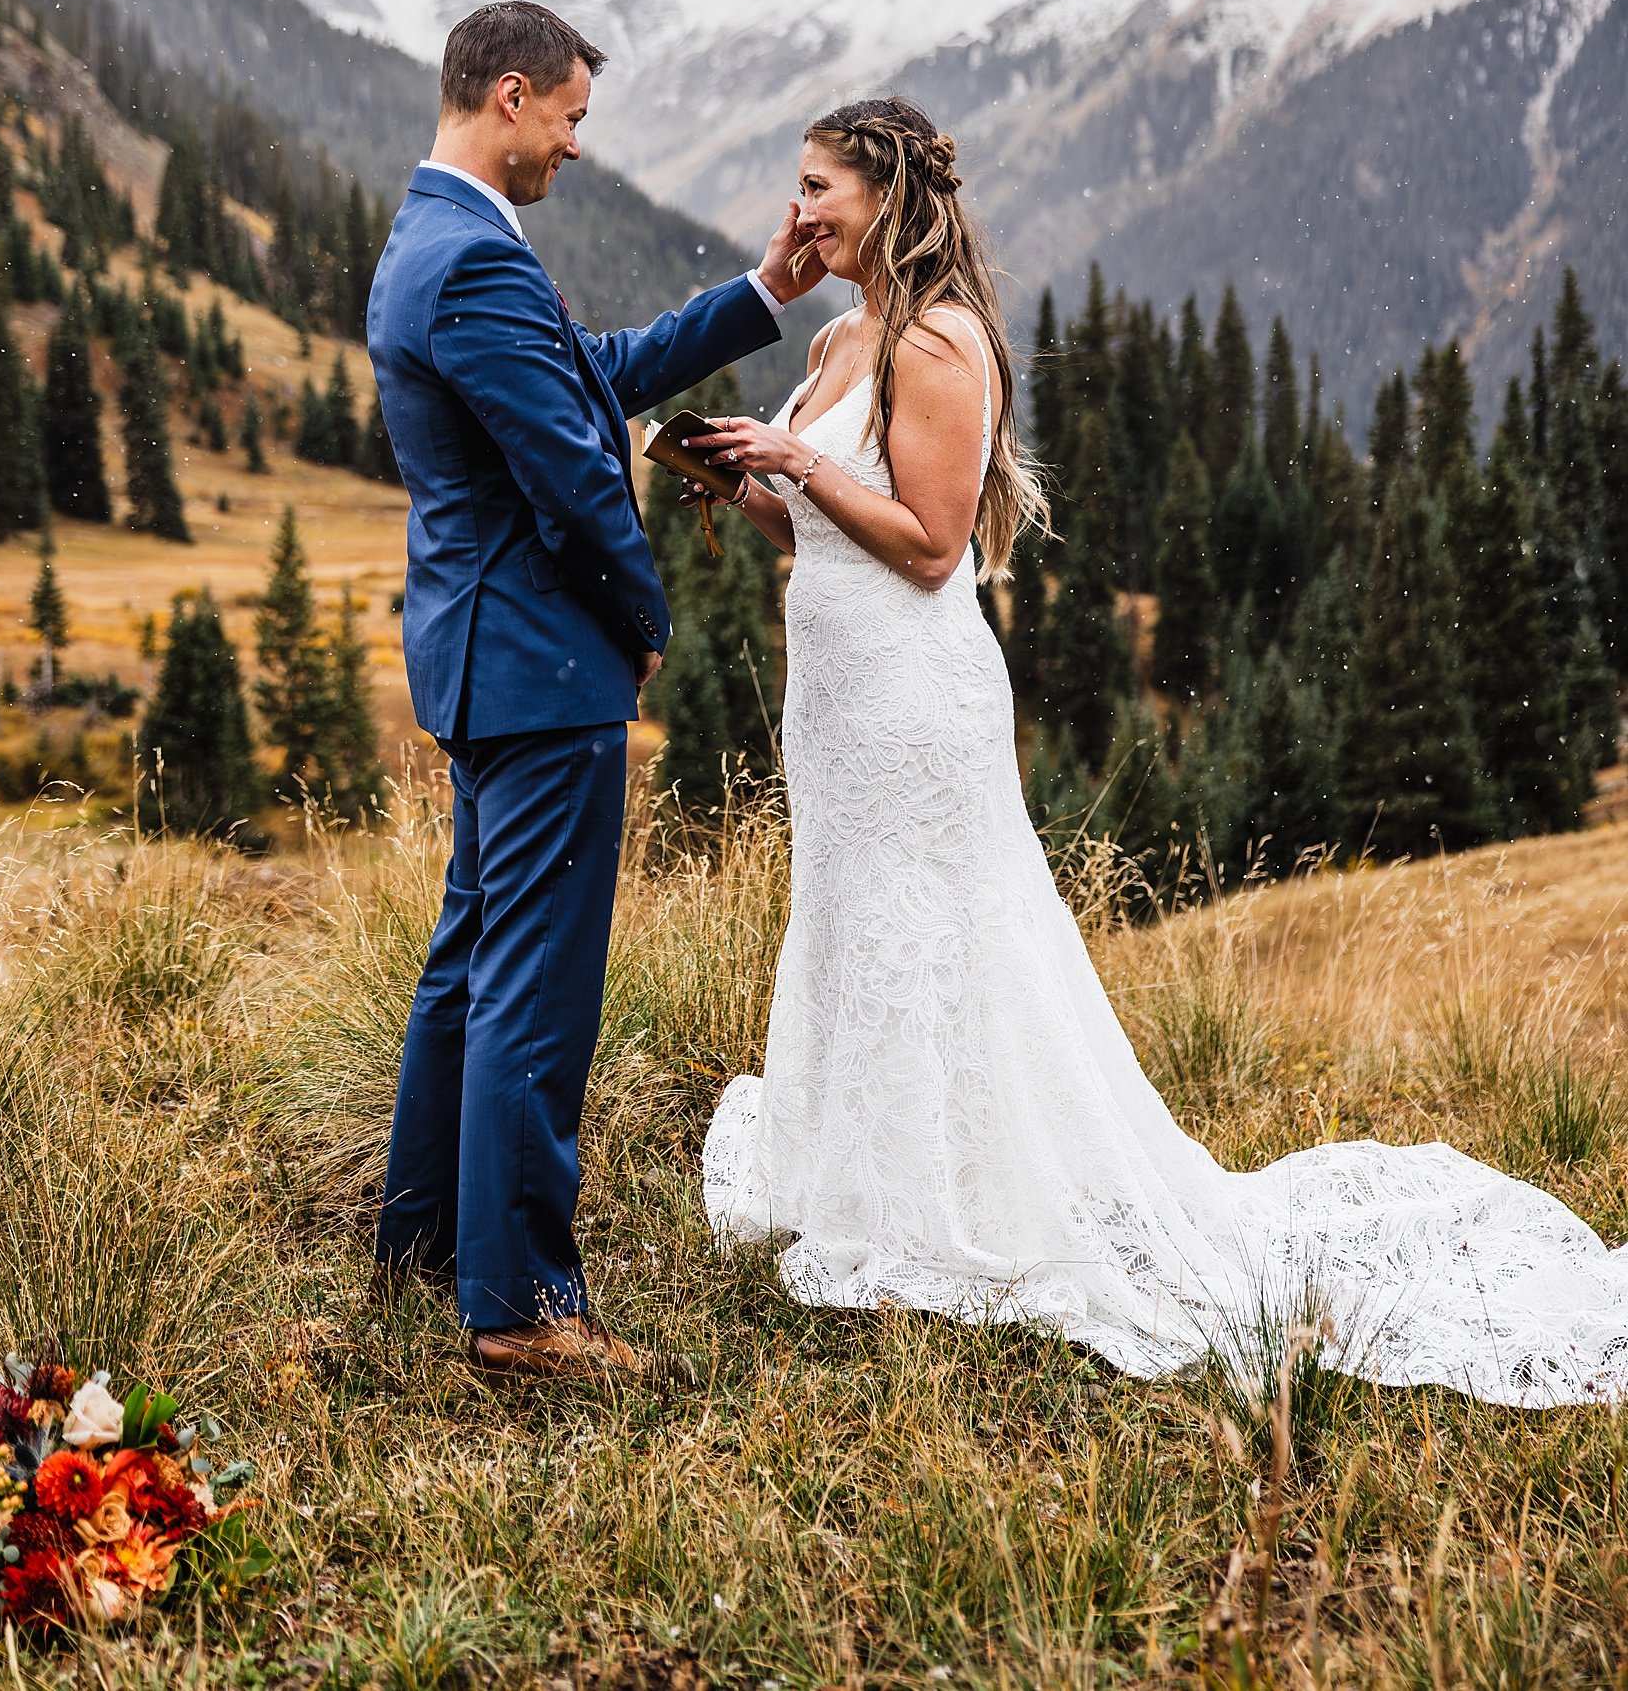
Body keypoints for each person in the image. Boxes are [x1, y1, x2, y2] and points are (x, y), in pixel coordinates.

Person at [695, 96, 1628, 1406]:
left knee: (937, 927)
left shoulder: (942, 339)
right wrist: (747, 485)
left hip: (914, 701)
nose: (798, 211)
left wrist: (794, 451)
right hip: (835, 705)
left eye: (818, 188)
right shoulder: (843, 333)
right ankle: (883, 1178)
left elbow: (926, 544)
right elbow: (822, 532)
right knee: (855, 919)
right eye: (795, 186)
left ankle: (964, 1207)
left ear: (888, 198)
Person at [366, 0, 823, 1379]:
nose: (574, 146)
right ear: (509, 96)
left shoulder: (441, 242)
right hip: (536, 665)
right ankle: (520, 1308)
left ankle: (428, 1247)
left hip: (483, 656)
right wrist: (642, 625)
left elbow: (596, 383)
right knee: (533, 988)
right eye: (567, 118)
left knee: (469, 966)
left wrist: (759, 300)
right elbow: (574, 477)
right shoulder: (472, 266)